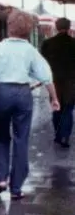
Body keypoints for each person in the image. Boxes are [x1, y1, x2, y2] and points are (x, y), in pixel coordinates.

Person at [0, 9, 60, 200]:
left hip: (2, 94)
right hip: (23, 94)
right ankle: (16, 188)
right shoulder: (30, 50)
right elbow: (46, 76)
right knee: (21, 139)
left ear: (9, 27)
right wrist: (54, 98)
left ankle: (1, 179)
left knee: (2, 137)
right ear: (28, 30)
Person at [40, 17, 75, 147]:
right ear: (69, 27)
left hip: (54, 82)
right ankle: (65, 136)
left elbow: (43, 63)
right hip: (71, 83)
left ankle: (58, 134)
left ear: (56, 27)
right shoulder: (73, 43)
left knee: (57, 107)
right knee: (68, 109)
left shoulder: (47, 43)